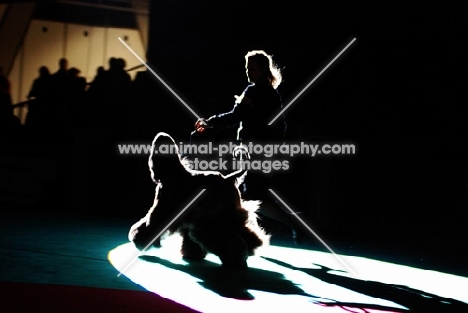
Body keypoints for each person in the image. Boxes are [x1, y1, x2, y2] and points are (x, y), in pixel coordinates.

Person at [194, 50, 306, 244]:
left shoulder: (253, 91)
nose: (248, 72)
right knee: (250, 194)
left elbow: (235, 116)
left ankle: (292, 223)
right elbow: (281, 125)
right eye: (247, 68)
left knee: (253, 195)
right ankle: (261, 232)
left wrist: (211, 122)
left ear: (263, 70)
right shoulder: (273, 93)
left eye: (252, 68)